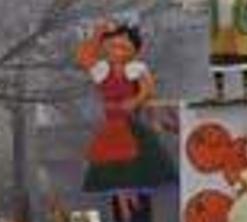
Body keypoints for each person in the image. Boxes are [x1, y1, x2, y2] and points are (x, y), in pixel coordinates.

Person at [75, 20, 174, 194]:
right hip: (111, 122)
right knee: (112, 163)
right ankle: (123, 198)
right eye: (113, 46)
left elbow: (148, 89)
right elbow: (83, 58)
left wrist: (136, 101)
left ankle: (134, 196)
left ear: (133, 49)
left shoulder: (135, 68)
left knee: (134, 162)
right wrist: (98, 33)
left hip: (129, 121)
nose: (117, 50)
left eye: (123, 46)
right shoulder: (102, 69)